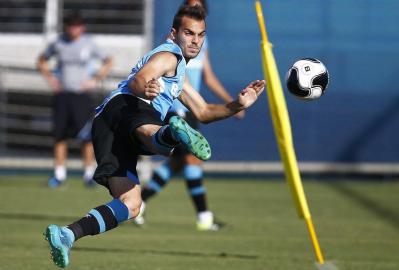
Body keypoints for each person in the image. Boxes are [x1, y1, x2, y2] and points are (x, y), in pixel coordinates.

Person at [44, 5, 265, 268]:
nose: (195, 40)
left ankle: (68, 234)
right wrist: (145, 87)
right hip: (128, 108)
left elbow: (204, 111)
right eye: (189, 33)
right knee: (156, 138)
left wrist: (237, 105)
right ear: (174, 33)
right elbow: (141, 78)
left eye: (200, 34)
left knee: (131, 203)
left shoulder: (178, 73)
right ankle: (171, 133)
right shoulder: (170, 55)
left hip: (107, 126)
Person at [134, 0, 244, 231]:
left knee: (176, 163)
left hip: (192, 107)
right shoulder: (174, 42)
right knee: (192, 159)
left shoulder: (201, 42)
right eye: (190, 4)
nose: (195, 8)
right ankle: (204, 217)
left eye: (199, 5)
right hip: (177, 107)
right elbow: (157, 71)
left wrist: (232, 103)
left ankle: (140, 202)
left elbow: (209, 77)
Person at [37, 13, 113, 188]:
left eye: (78, 26)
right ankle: (59, 174)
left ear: (82, 28)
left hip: (82, 96)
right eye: (71, 26)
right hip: (62, 95)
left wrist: (95, 79)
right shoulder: (58, 43)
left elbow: (108, 61)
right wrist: (50, 79)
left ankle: (88, 173)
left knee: (86, 136)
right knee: (60, 135)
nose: (74, 29)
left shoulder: (88, 43)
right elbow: (42, 60)